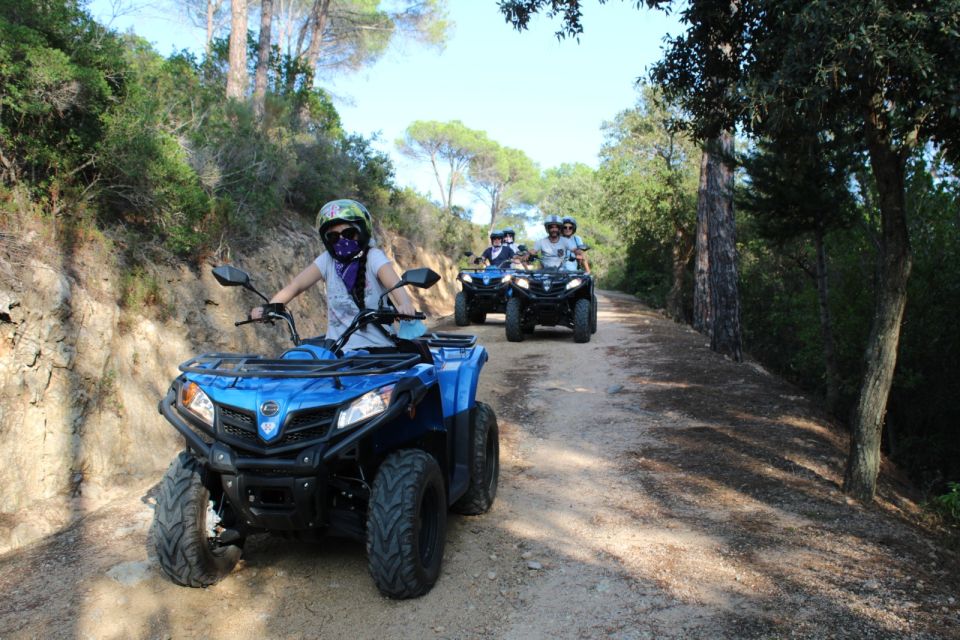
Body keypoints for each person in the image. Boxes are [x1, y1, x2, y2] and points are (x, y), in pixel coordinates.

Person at [250, 199, 417, 351]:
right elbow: (296, 286)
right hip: (337, 352)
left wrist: (404, 305)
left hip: (375, 351)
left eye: (349, 234)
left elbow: (394, 284)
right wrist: (269, 308)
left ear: (361, 232)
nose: (342, 240)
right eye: (333, 236)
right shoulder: (327, 261)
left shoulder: (373, 257)